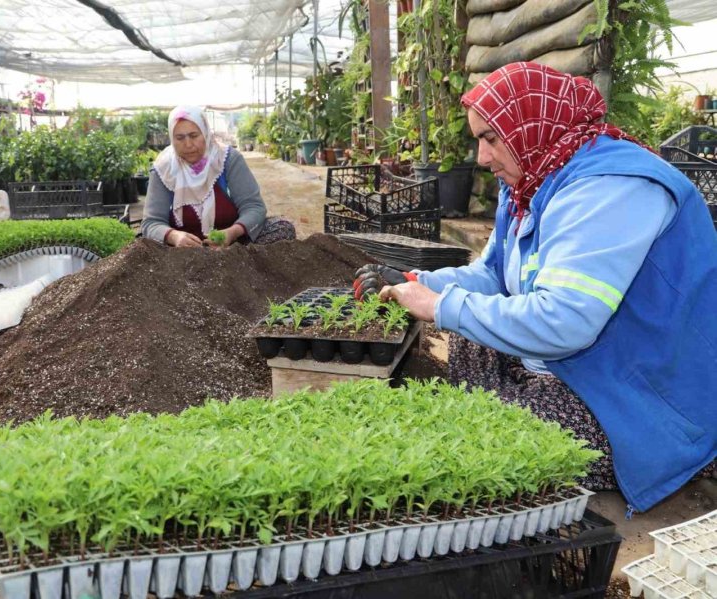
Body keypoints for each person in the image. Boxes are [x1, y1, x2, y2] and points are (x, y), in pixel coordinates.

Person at [354, 62, 716, 513]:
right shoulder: (532, 179)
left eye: (490, 138)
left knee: (494, 441)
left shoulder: (611, 188)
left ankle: (671, 451)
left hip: (638, 389)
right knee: (468, 349)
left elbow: (566, 322)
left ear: (529, 124)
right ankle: (522, 392)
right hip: (576, 363)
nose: (482, 158)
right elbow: (492, 275)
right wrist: (416, 283)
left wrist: (440, 306)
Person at [141, 106, 296, 247]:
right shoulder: (163, 168)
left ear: (206, 133)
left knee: (282, 228)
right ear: (171, 139)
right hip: (180, 252)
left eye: (194, 135)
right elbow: (151, 223)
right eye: (180, 138)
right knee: (141, 247)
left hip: (232, 246)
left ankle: (237, 262)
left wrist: (232, 233)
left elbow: (254, 207)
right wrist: (174, 237)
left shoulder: (227, 160)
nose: (188, 144)